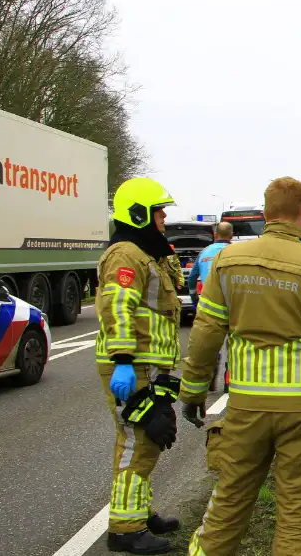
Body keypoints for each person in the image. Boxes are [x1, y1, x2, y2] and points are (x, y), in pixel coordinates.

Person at [178, 177, 301, 556]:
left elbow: (206, 333)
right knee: (298, 513)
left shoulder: (227, 262)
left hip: (247, 406)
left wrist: (193, 391)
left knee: (228, 501)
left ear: (266, 213)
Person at [96, 177, 184, 554]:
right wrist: (123, 362)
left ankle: (139, 511)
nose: (164, 216)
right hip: (132, 363)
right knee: (139, 440)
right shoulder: (126, 255)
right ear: (139, 213)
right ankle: (125, 530)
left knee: (152, 438)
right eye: (158, 210)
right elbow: (117, 307)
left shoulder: (148, 252)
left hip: (149, 363)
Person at [186, 222, 233, 392]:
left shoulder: (204, 252)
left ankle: (210, 378)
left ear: (215, 235)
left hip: (209, 304)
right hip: (232, 303)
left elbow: (192, 278)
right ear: (232, 235)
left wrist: (194, 299)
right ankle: (229, 379)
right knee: (233, 342)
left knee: (209, 343)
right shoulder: (236, 252)